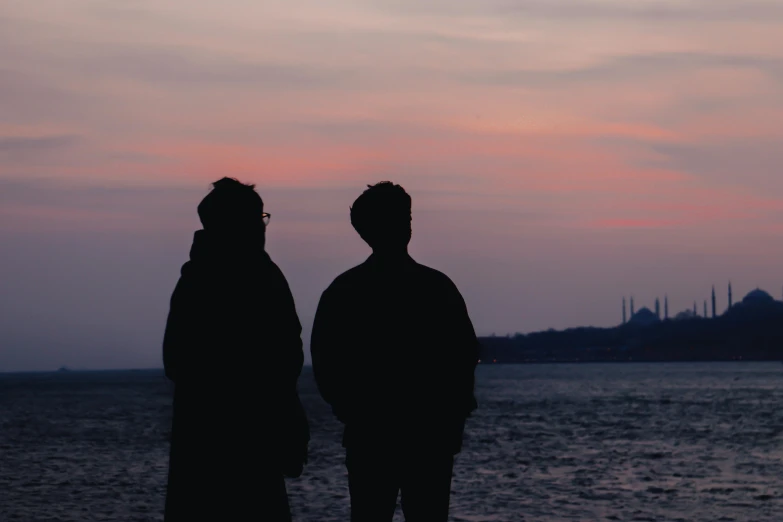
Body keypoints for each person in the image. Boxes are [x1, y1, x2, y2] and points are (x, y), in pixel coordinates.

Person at [311, 181, 480, 521]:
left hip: (376, 436)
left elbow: (326, 364)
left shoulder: (344, 291)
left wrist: (352, 409)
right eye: (401, 217)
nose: (406, 225)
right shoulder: (436, 288)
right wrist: (452, 420)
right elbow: (462, 360)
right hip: (423, 438)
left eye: (406, 217)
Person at [162, 177, 308, 522]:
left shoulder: (194, 279)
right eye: (258, 218)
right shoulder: (262, 276)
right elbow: (285, 358)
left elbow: (175, 361)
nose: (263, 228)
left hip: (201, 437)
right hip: (250, 436)